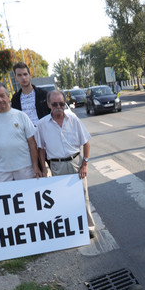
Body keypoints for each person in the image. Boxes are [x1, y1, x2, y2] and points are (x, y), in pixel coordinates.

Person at [36, 90, 95, 238]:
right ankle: (71, 229)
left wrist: (85, 164)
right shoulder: (42, 124)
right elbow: (41, 149)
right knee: (63, 199)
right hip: (57, 166)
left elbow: (86, 143)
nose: (58, 107)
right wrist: (44, 169)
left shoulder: (73, 119)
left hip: (76, 163)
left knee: (83, 196)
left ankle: (89, 227)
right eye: (54, 104)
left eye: (61, 103)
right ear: (49, 104)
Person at [0, 82, 42, 184]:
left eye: (2, 96)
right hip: (0, 172)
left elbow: (32, 143)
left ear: (8, 96)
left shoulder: (21, 116)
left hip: (25, 169)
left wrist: (35, 166)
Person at [10, 62, 51, 128]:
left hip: (45, 132)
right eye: (19, 75)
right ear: (15, 78)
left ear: (30, 75)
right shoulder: (15, 99)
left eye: (25, 74)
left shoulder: (43, 94)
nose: (23, 78)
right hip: (27, 135)